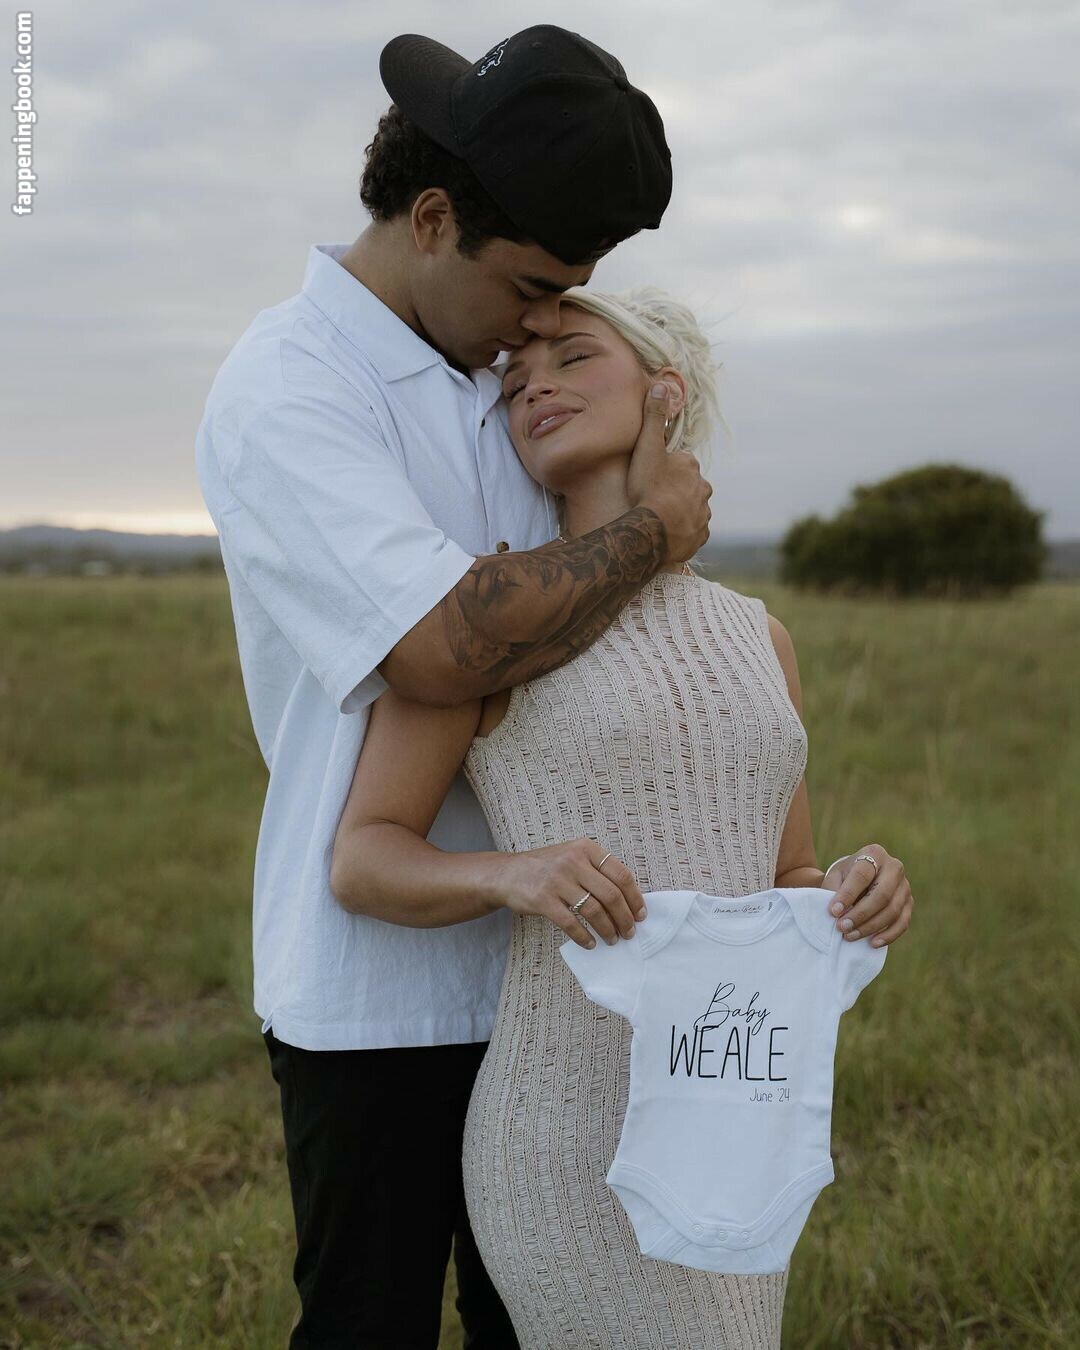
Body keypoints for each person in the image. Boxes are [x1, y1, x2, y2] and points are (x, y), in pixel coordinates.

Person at [194, 24, 716, 1350]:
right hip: (379, 991)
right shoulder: (289, 388)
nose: (543, 325)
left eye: (572, 302)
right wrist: (652, 532)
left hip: (565, 985)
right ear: (433, 220)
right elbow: (440, 648)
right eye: (533, 284)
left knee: (549, 1324)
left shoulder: (506, 376)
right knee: (366, 1326)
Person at [329, 288, 916, 1348]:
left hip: (740, 1116)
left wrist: (851, 889)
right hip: (564, 1127)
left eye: (571, 356)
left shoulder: (761, 637)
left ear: (664, 393)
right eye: (515, 380)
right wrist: (512, 873)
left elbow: (781, 874)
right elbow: (364, 860)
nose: (533, 387)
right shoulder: (488, 619)